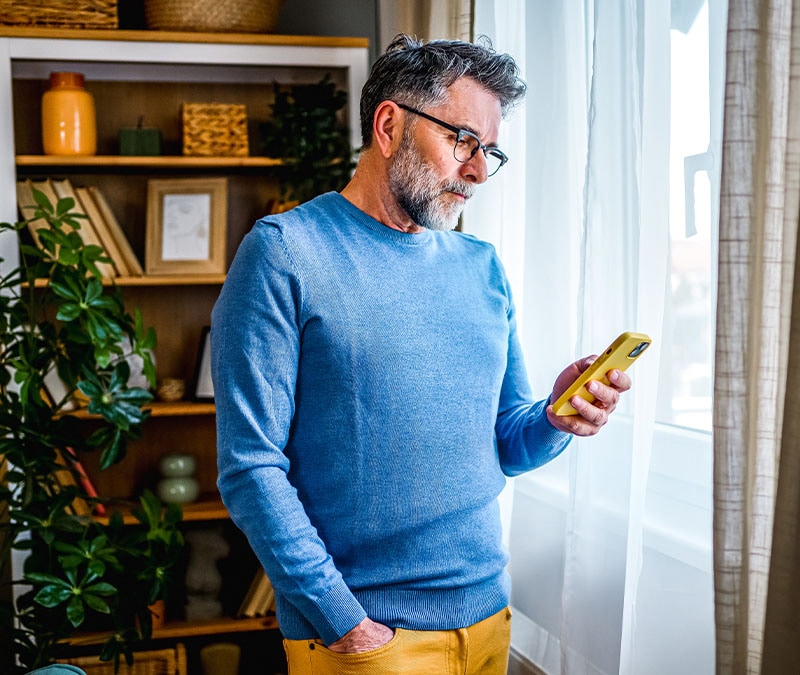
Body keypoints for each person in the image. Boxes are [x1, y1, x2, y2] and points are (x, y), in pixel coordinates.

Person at [211, 34, 631, 675]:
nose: (479, 171)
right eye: (463, 140)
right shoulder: (283, 253)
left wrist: (554, 418)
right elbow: (250, 467)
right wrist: (346, 625)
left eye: (490, 150)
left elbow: (505, 442)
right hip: (368, 640)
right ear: (388, 125)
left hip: (489, 619)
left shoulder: (481, 266)